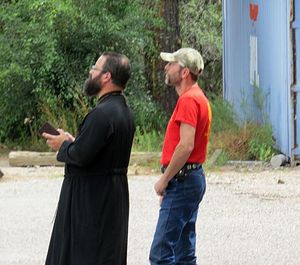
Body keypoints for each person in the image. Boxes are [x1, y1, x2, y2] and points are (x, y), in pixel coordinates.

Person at [42, 52, 135, 265]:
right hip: (112, 195)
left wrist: (63, 145)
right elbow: (100, 152)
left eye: (95, 68)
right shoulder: (123, 111)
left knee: (86, 252)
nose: (90, 72)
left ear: (106, 77)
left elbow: (81, 156)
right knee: (106, 251)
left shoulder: (101, 114)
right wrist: (75, 141)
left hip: (93, 199)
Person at [149, 48, 212, 265]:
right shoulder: (199, 98)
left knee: (161, 254)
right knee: (184, 252)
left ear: (184, 72)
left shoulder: (188, 100)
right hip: (191, 178)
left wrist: (164, 179)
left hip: (182, 180)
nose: (166, 67)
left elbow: (185, 146)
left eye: (171, 63)